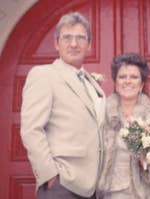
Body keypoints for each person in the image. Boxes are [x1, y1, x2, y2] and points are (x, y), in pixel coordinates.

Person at [20, 12, 106, 199]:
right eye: (67, 37)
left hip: (93, 189)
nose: (74, 44)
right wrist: (49, 174)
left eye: (80, 38)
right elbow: (31, 129)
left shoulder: (92, 83)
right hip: (62, 186)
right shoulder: (44, 75)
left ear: (89, 44)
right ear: (56, 43)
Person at [97, 53, 150, 198]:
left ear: (141, 84)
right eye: (122, 77)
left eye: (134, 77)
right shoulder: (101, 117)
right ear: (115, 83)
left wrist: (147, 156)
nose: (127, 81)